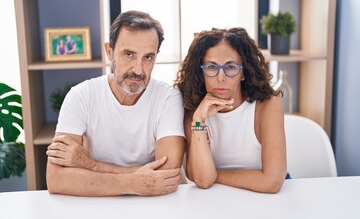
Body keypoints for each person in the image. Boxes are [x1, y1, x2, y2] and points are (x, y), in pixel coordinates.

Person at [46, 11, 185, 197]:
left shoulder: (168, 98)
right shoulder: (81, 96)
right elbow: (56, 179)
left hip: (159, 204)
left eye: (148, 57)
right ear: (109, 52)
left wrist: (90, 165)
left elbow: (165, 177)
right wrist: (135, 183)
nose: (138, 69)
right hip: (102, 205)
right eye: (129, 54)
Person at [174, 27, 287, 193]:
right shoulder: (193, 111)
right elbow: (202, 180)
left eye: (231, 67)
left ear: (243, 72)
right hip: (218, 201)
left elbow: (272, 181)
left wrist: (215, 175)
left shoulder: (267, 106)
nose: (221, 77)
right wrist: (198, 121)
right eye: (212, 67)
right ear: (201, 71)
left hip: (265, 199)